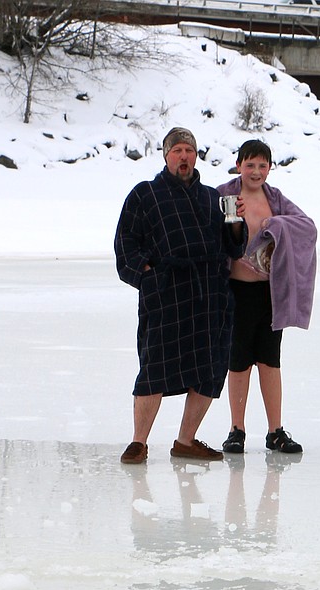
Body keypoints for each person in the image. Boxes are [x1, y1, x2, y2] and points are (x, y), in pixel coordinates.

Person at [113, 126, 247, 464]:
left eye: (189, 150)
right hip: (166, 293)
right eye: (178, 151)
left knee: (208, 369)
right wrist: (146, 275)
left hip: (209, 296)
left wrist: (235, 224)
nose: (184, 156)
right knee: (154, 368)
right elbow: (125, 242)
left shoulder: (210, 197)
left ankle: (186, 440)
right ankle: (138, 442)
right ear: (166, 156)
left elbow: (233, 246)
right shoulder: (144, 194)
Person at [216, 140, 318, 456]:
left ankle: (275, 430)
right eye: (250, 165)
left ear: (270, 168)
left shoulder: (275, 199)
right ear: (238, 165)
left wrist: (274, 225)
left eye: (262, 166)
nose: (256, 172)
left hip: (268, 293)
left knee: (270, 361)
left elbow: (306, 226)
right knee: (239, 362)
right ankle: (237, 429)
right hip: (236, 292)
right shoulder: (224, 195)